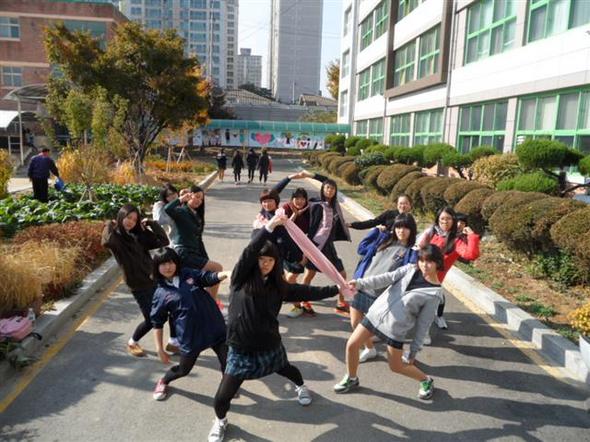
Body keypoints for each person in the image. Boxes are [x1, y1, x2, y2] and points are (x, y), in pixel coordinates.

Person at [207, 214, 341, 442]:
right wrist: (270, 226)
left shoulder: (280, 287)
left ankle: (301, 387)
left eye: (270, 260)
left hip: (269, 344)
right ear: (254, 261)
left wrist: (337, 288)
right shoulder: (241, 278)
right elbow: (251, 249)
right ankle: (220, 422)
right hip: (240, 348)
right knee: (222, 397)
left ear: (275, 262)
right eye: (261, 259)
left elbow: (310, 293)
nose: (265, 263)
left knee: (287, 369)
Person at [334, 245, 445, 401]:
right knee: (352, 345)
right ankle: (352, 378)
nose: (424, 265)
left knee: (396, 367)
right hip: (375, 316)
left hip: (394, 330)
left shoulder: (434, 293)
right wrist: (359, 284)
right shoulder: (409, 269)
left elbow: (423, 325)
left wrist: (413, 352)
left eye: (429, 262)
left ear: (438, 263)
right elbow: (384, 278)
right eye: (421, 260)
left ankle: (426, 380)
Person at [150, 247, 230, 401]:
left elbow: (207, 277)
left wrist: (224, 274)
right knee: (183, 370)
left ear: (176, 263)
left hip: (215, 329)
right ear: (157, 268)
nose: (167, 267)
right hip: (191, 337)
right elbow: (157, 323)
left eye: (170, 262)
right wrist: (159, 348)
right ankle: (164, 381)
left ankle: (227, 386)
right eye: (163, 264)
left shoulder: (188, 274)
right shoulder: (160, 294)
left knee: (228, 363)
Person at [101, 204, 176, 357]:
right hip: (139, 286)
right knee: (151, 319)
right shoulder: (117, 239)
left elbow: (163, 241)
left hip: (153, 279)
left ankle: (174, 342)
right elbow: (106, 242)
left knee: (172, 308)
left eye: (134, 220)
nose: (131, 222)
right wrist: (109, 224)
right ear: (121, 216)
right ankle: (133, 341)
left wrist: (152, 224)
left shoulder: (138, 236)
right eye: (128, 218)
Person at [349, 213, 418, 363]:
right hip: (362, 285)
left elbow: (409, 273)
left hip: (382, 295)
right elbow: (362, 249)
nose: (401, 231)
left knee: (388, 330)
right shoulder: (385, 240)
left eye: (406, 228)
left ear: (412, 230)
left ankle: (405, 353)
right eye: (398, 227)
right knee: (355, 322)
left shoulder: (411, 251)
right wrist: (374, 232)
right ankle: (370, 349)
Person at [417, 206, 480, 329]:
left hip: (435, 279)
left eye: (448, 219)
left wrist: (472, 236)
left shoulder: (457, 241)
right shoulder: (431, 233)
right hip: (419, 273)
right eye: (442, 219)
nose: (445, 222)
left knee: (429, 304)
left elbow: (471, 255)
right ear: (438, 220)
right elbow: (418, 248)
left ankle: (428, 328)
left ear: (453, 220)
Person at [299, 171, 351, 315]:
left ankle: (341, 303)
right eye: (327, 188)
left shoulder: (335, 206)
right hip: (316, 245)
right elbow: (311, 226)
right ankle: (304, 301)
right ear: (323, 189)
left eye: (332, 188)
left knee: (341, 274)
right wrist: (310, 175)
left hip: (328, 246)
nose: (329, 190)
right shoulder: (316, 204)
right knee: (309, 274)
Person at [165, 185, 224, 305]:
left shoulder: (197, 216)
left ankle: (203, 302)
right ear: (189, 195)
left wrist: (206, 259)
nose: (199, 201)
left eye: (201, 199)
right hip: (184, 253)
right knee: (217, 269)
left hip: (194, 252)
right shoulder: (181, 211)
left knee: (204, 277)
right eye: (196, 197)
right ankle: (210, 303)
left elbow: (199, 240)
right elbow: (168, 209)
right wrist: (181, 199)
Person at [348, 194, 413, 231]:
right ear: (397, 204)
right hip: (384, 246)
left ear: (410, 205)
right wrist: (353, 225)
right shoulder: (389, 214)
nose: (403, 206)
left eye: (405, 203)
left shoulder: (411, 220)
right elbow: (373, 222)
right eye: (400, 203)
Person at [152, 183, 180, 248]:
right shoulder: (160, 206)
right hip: (171, 243)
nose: (173, 196)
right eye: (168, 195)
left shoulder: (180, 205)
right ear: (164, 197)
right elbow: (159, 220)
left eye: (173, 193)